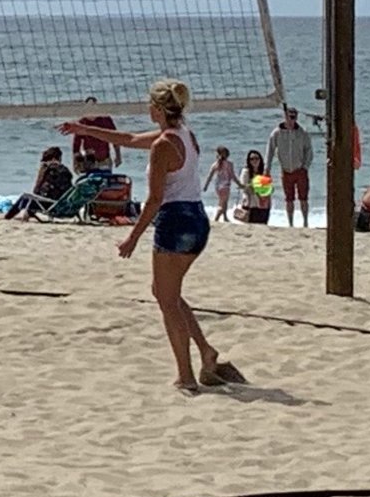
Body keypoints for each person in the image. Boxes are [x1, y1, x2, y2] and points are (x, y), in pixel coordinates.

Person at [62, 78, 245, 395]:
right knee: (168, 294)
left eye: (149, 104)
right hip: (198, 220)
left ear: (159, 109)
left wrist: (132, 237)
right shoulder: (184, 135)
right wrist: (86, 130)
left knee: (166, 298)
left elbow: (154, 199)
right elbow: (130, 138)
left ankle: (186, 375)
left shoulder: (163, 145)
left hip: (176, 222)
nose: (146, 108)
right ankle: (206, 353)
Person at [266, 108, 313, 227]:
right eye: (290, 117)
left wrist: (305, 166)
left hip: (300, 169)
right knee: (289, 198)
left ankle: (305, 222)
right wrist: (267, 168)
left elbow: (309, 151)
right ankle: (290, 223)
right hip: (286, 170)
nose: (292, 120)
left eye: (294, 117)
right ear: (285, 117)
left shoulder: (302, 133)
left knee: (303, 198)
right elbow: (270, 151)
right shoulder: (277, 133)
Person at [9, 146, 72, 219]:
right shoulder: (66, 171)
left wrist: (41, 173)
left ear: (52, 159)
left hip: (49, 204)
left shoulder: (48, 170)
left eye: (45, 161)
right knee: (30, 199)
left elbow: (36, 190)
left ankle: (8, 217)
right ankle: (27, 213)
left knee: (24, 198)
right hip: (61, 205)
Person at [71, 97, 120, 172]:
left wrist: (118, 156)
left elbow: (115, 138)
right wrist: (76, 162)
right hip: (89, 161)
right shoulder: (81, 122)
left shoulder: (105, 119)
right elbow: (76, 145)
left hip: (105, 159)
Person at [203, 144, 239, 222]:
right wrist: (240, 184)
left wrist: (206, 186)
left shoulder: (215, 164)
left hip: (217, 187)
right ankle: (216, 219)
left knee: (223, 202)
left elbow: (210, 176)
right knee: (223, 203)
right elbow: (232, 176)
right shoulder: (229, 164)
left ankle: (225, 217)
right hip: (225, 186)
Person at [238, 150, 272, 226]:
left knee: (263, 226)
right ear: (248, 161)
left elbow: (268, 190)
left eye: (256, 158)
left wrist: (268, 203)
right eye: (252, 159)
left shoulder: (264, 172)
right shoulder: (246, 172)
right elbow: (244, 186)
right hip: (250, 204)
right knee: (250, 226)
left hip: (263, 205)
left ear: (260, 159)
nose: (254, 161)